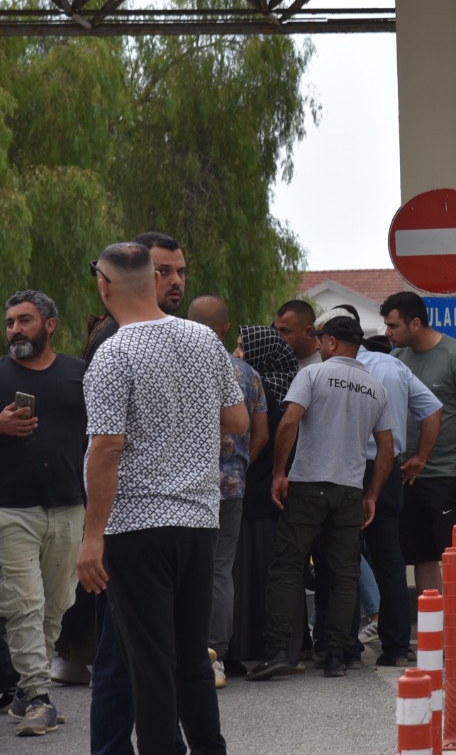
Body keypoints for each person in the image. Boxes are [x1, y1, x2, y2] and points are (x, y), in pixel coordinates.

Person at [78, 241, 247, 755]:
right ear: (153, 280)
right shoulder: (202, 338)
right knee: (193, 659)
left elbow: (106, 449)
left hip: (136, 526)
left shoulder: (112, 353)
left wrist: (91, 537)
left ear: (104, 286)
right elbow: (238, 421)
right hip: (198, 518)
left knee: (149, 663)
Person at [86, 229, 193, 755]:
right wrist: (94, 537)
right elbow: (104, 448)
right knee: (121, 656)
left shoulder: (182, 338)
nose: (173, 281)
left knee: (157, 655)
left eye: (179, 271)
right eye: (164, 271)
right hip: (127, 526)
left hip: (179, 520)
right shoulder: (116, 344)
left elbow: (236, 419)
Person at [247, 316, 393, 680]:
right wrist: (372, 493)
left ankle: (280, 649)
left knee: (287, 567)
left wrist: (280, 472)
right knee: (343, 574)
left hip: (308, 484)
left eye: (320, 339)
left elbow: (290, 421)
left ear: (330, 342)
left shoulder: (312, 375)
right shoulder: (375, 387)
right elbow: (388, 447)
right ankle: (336, 655)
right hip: (349, 490)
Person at [0, 290, 86, 735]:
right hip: (10, 509)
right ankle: (38, 695)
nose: (15, 329)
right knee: (24, 604)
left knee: (55, 606)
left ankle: (22, 696)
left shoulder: (78, 372)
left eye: (25, 320)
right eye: (10, 321)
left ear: (49, 324)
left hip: (70, 505)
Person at [380, 291, 456, 653]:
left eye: (393, 325)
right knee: (422, 558)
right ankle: (437, 638)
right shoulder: (396, 359)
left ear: (415, 322)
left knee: (454, 559)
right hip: (409, 475)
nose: (388, 332)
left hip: (449, 476)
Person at [348, 316, 441, 668]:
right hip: (390, 469)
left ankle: (344, 648)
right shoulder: (395, 367)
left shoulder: (339, 368)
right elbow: (432, 409)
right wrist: (420, 457)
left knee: (343, 555)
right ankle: (397, 646)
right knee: (389, 557)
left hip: (351, 468)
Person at [186, 295, 269, 688]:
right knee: (220, 570)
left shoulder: (175, 367)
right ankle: (215, 655)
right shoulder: (247, 374)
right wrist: (238, 465)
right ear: (225, 328)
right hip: (230, 488)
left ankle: (180, 652)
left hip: (180, 488)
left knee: (180, 570)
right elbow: (261, 431)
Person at [230, 325, 304, 673]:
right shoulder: (293, 386)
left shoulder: (260, 388)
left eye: (244, 346)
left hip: (259, 489)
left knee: (252, 569)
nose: (238, 353)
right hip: (275, 491)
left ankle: (248, 641)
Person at [274, 300, 320, 370]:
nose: (278, 337)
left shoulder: (325, 366)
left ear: (309, 332)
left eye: (285, 331)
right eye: (275, 330)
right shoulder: (274, 363)